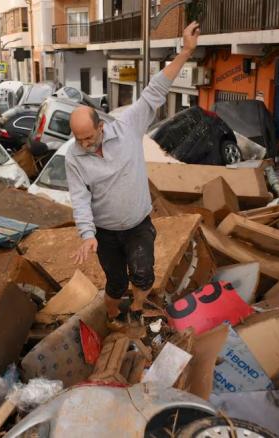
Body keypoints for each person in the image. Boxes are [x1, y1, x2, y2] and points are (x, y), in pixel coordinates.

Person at [66, 21, 201, 330]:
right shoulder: (73, 157)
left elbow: (155, 90)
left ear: (100, 126)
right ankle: (114, 316)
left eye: (89, 137)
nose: (85, 145)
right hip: (106, 233)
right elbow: (79, 197)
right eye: (79, 140)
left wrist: (186, 52)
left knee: (143, 275)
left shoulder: (127, 126)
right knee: (115, 283)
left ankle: (137, 309)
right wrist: (87, 235)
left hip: (138, 224)